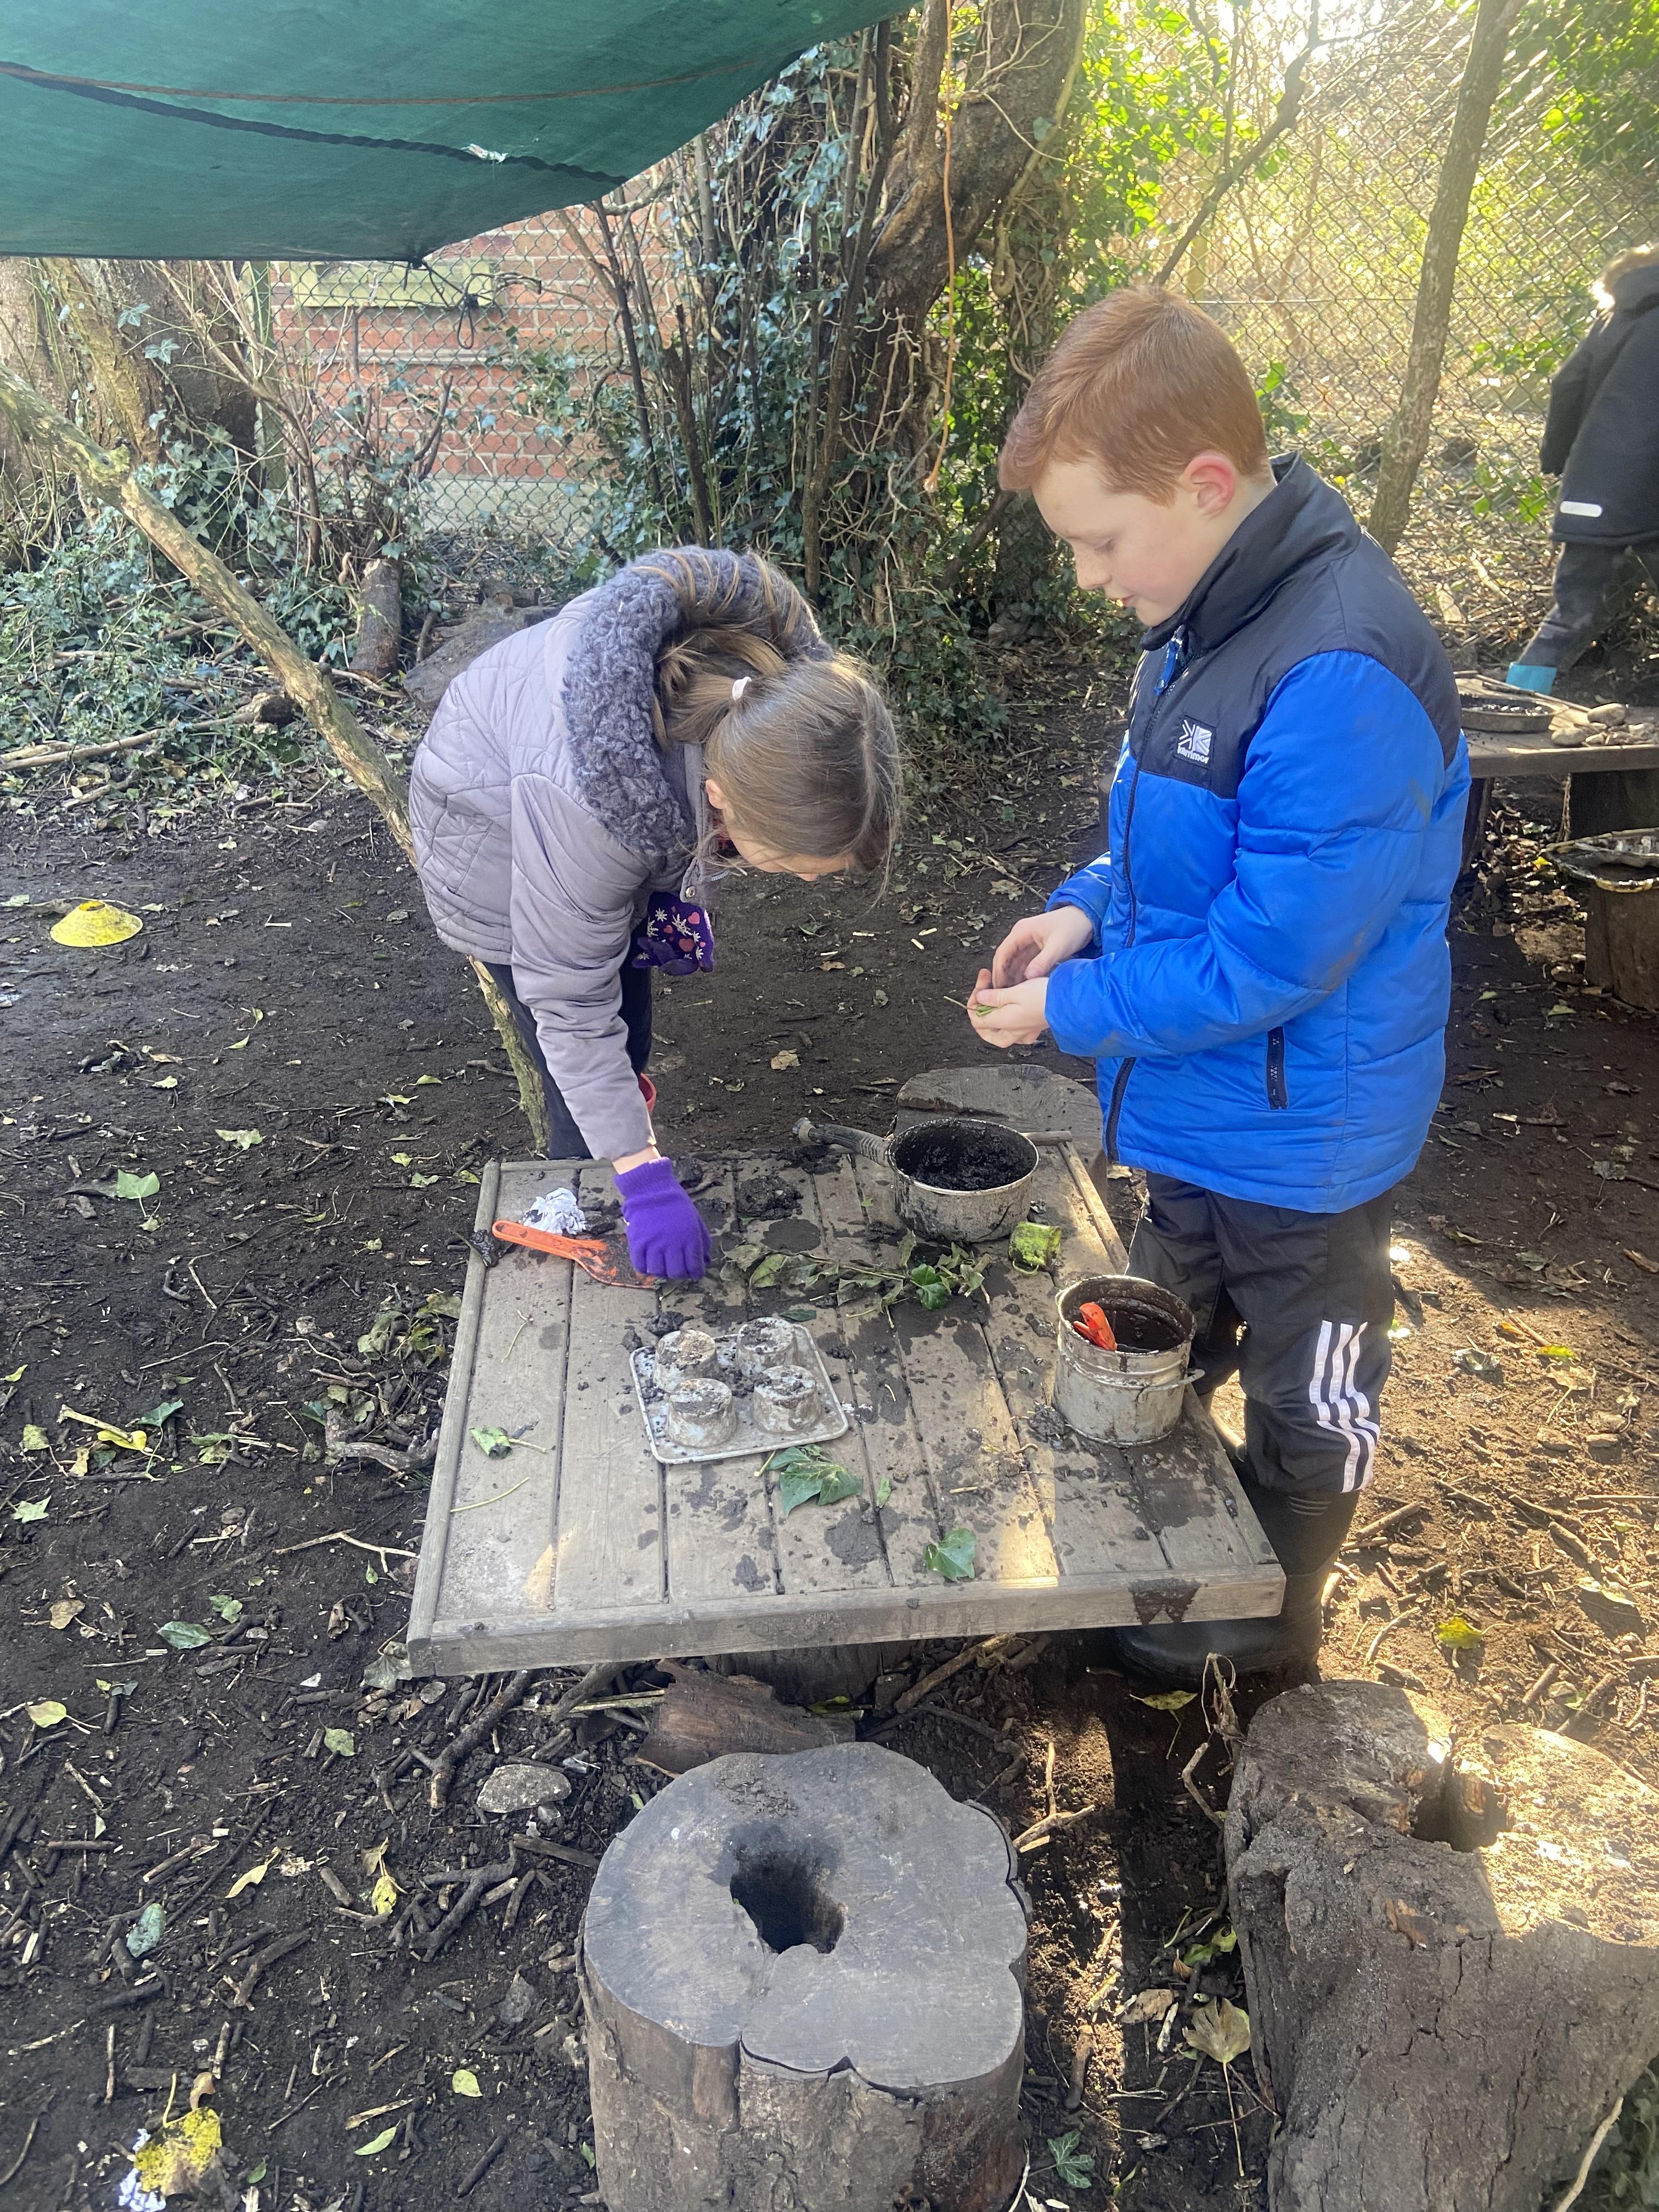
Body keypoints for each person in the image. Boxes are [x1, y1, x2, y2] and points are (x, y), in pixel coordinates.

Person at [967, 286, 1470, 1685]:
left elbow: (1270, 955)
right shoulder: (1206, 611)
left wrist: (1071, 1011)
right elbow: (1170, 846)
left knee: (1314, 1379)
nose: (1089, 577)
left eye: (1099, 541)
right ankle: (1164, 1544)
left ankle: (1276, 1613)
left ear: (1201, 484)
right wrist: (1081, 912)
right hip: (1203, 1106)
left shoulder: (1339, 672)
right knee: (1156, 1327)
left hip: (1308, 1140)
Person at [410, 548, 900, 1282]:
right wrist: (644, 1181)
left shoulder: (762, 710)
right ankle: (580, 1197)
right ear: (721, 798)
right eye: (795, 863)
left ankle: (615, 1141)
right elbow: (572, 1001)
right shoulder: (590, 811)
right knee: (580, 1043)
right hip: (492, 837)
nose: (803, 879)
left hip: (580, 811)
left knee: (627, 1029)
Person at [1506, 243, 1659, 694]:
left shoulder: (1610, 321)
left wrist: (1558, 458)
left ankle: (1517, 699)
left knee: (1571, 610)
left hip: (1594, 487)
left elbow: (1567, 384)